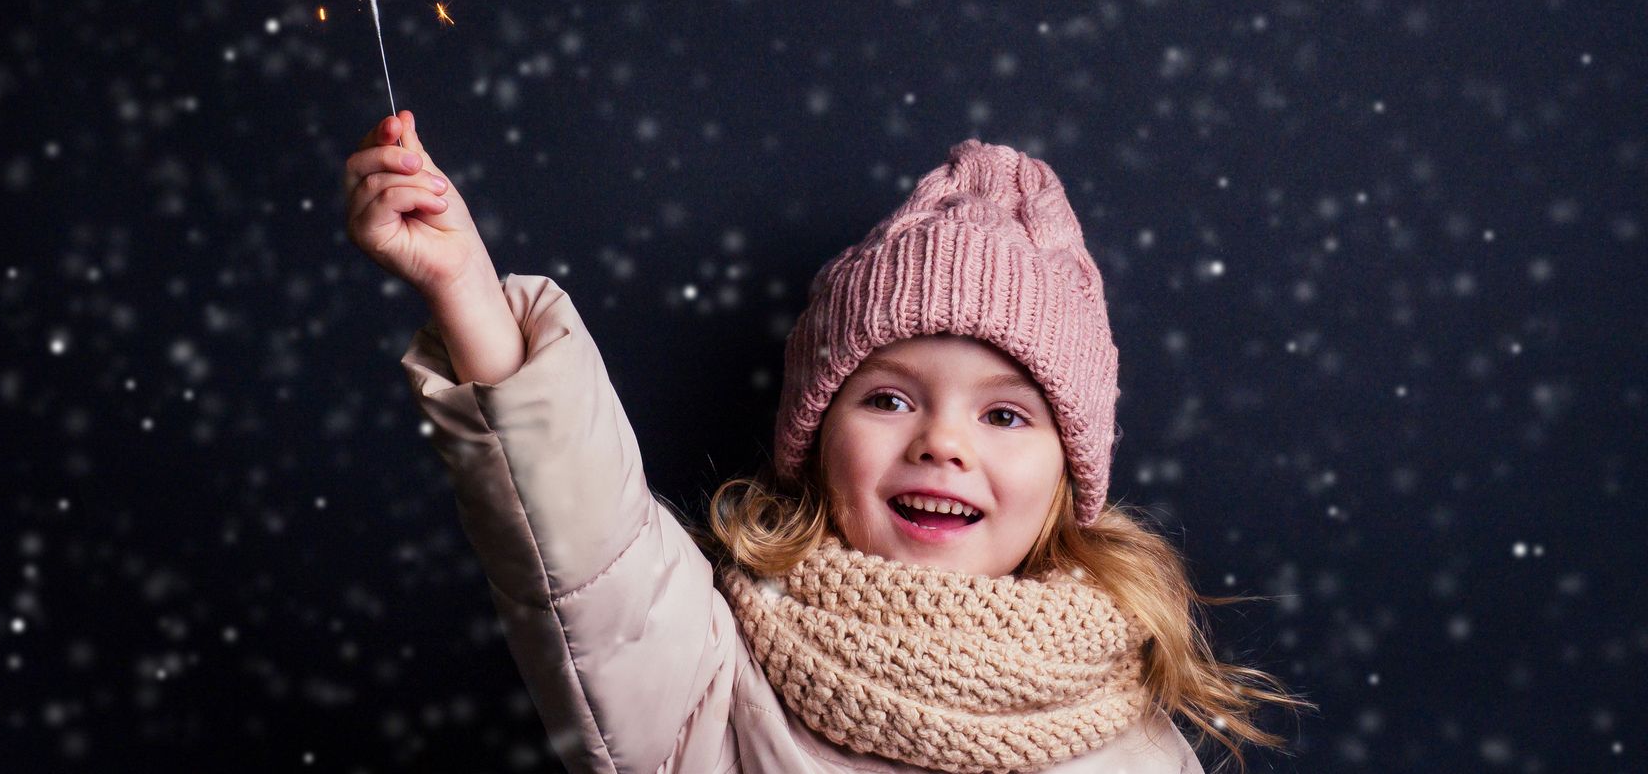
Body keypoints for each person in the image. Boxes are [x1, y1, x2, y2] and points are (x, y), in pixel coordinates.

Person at [346, 110, 1311, 773]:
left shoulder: (1128, 725)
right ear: (814, 436)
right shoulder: (714, 670)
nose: (943, 442)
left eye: (1006, 415)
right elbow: (581, 550)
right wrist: (469, 295)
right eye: (889, 399)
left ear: (1070, 474)